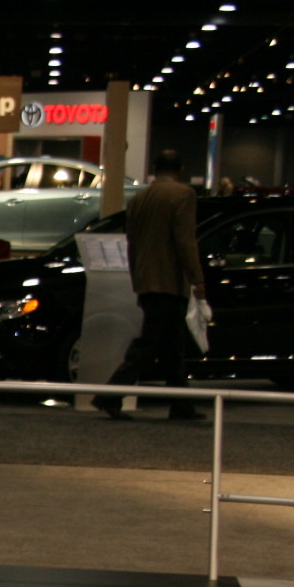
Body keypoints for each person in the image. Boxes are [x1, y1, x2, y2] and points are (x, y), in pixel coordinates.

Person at [93, 150, 206, 422]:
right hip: (170, 282)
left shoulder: (139, 199)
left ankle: (181, 405)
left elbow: (131, 242)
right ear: (179, 169)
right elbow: (185, 241)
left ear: (155, 169)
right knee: (152, 343)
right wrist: (197, 279)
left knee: (171, 346)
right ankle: (109, 395)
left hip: (146, 280)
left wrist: (138, 279)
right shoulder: (183, 195)